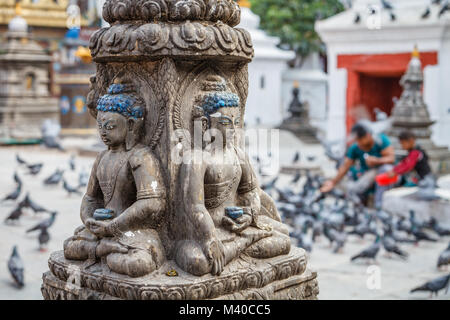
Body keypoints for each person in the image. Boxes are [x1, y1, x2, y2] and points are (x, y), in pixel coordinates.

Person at [320, 123, 395, 208]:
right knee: (356, 182)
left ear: (367, 135)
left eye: (360, 140)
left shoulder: (381, 140)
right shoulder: (355, 147)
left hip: (385, 173)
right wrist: (333, 182)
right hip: (368, 174)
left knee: (385, 169)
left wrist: (377, 160)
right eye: (357, 140)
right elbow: (345, 166)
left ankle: (379, 205)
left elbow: (391, 158)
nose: (358, 143)